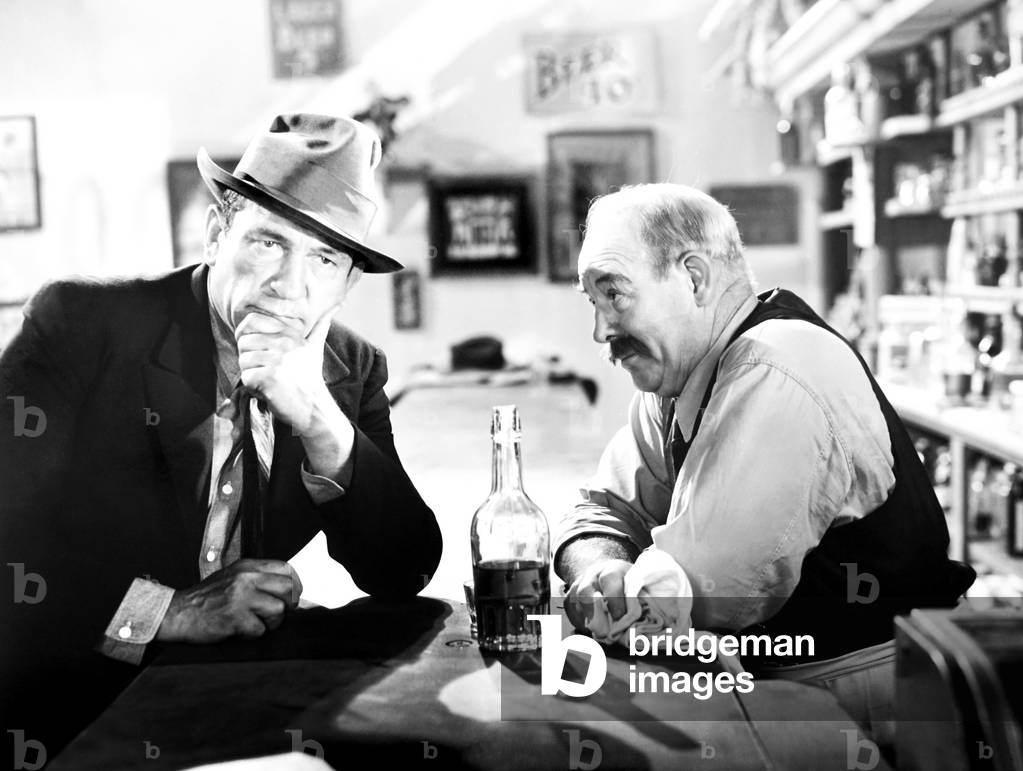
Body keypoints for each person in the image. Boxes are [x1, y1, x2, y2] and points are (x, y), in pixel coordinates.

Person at [0, 113, 443, 757]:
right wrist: (171, 612)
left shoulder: (352, 369)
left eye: (324, 258)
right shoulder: (82, 324)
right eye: (269, 243)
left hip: (234, 712)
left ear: (347, 285)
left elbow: (401, 569)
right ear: (216, 236)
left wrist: (320, 419)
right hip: (62, 711)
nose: (289, 286)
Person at [556, 183, 974, 745]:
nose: (600, 331)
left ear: (694, 277)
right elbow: (600, 512)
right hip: (789, 687)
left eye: (615, 295)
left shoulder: (776, 365)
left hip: (873, 701)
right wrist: (596, 568)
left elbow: (686, 593)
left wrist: (619, 596)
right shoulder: (673, 388)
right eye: (593, 302)